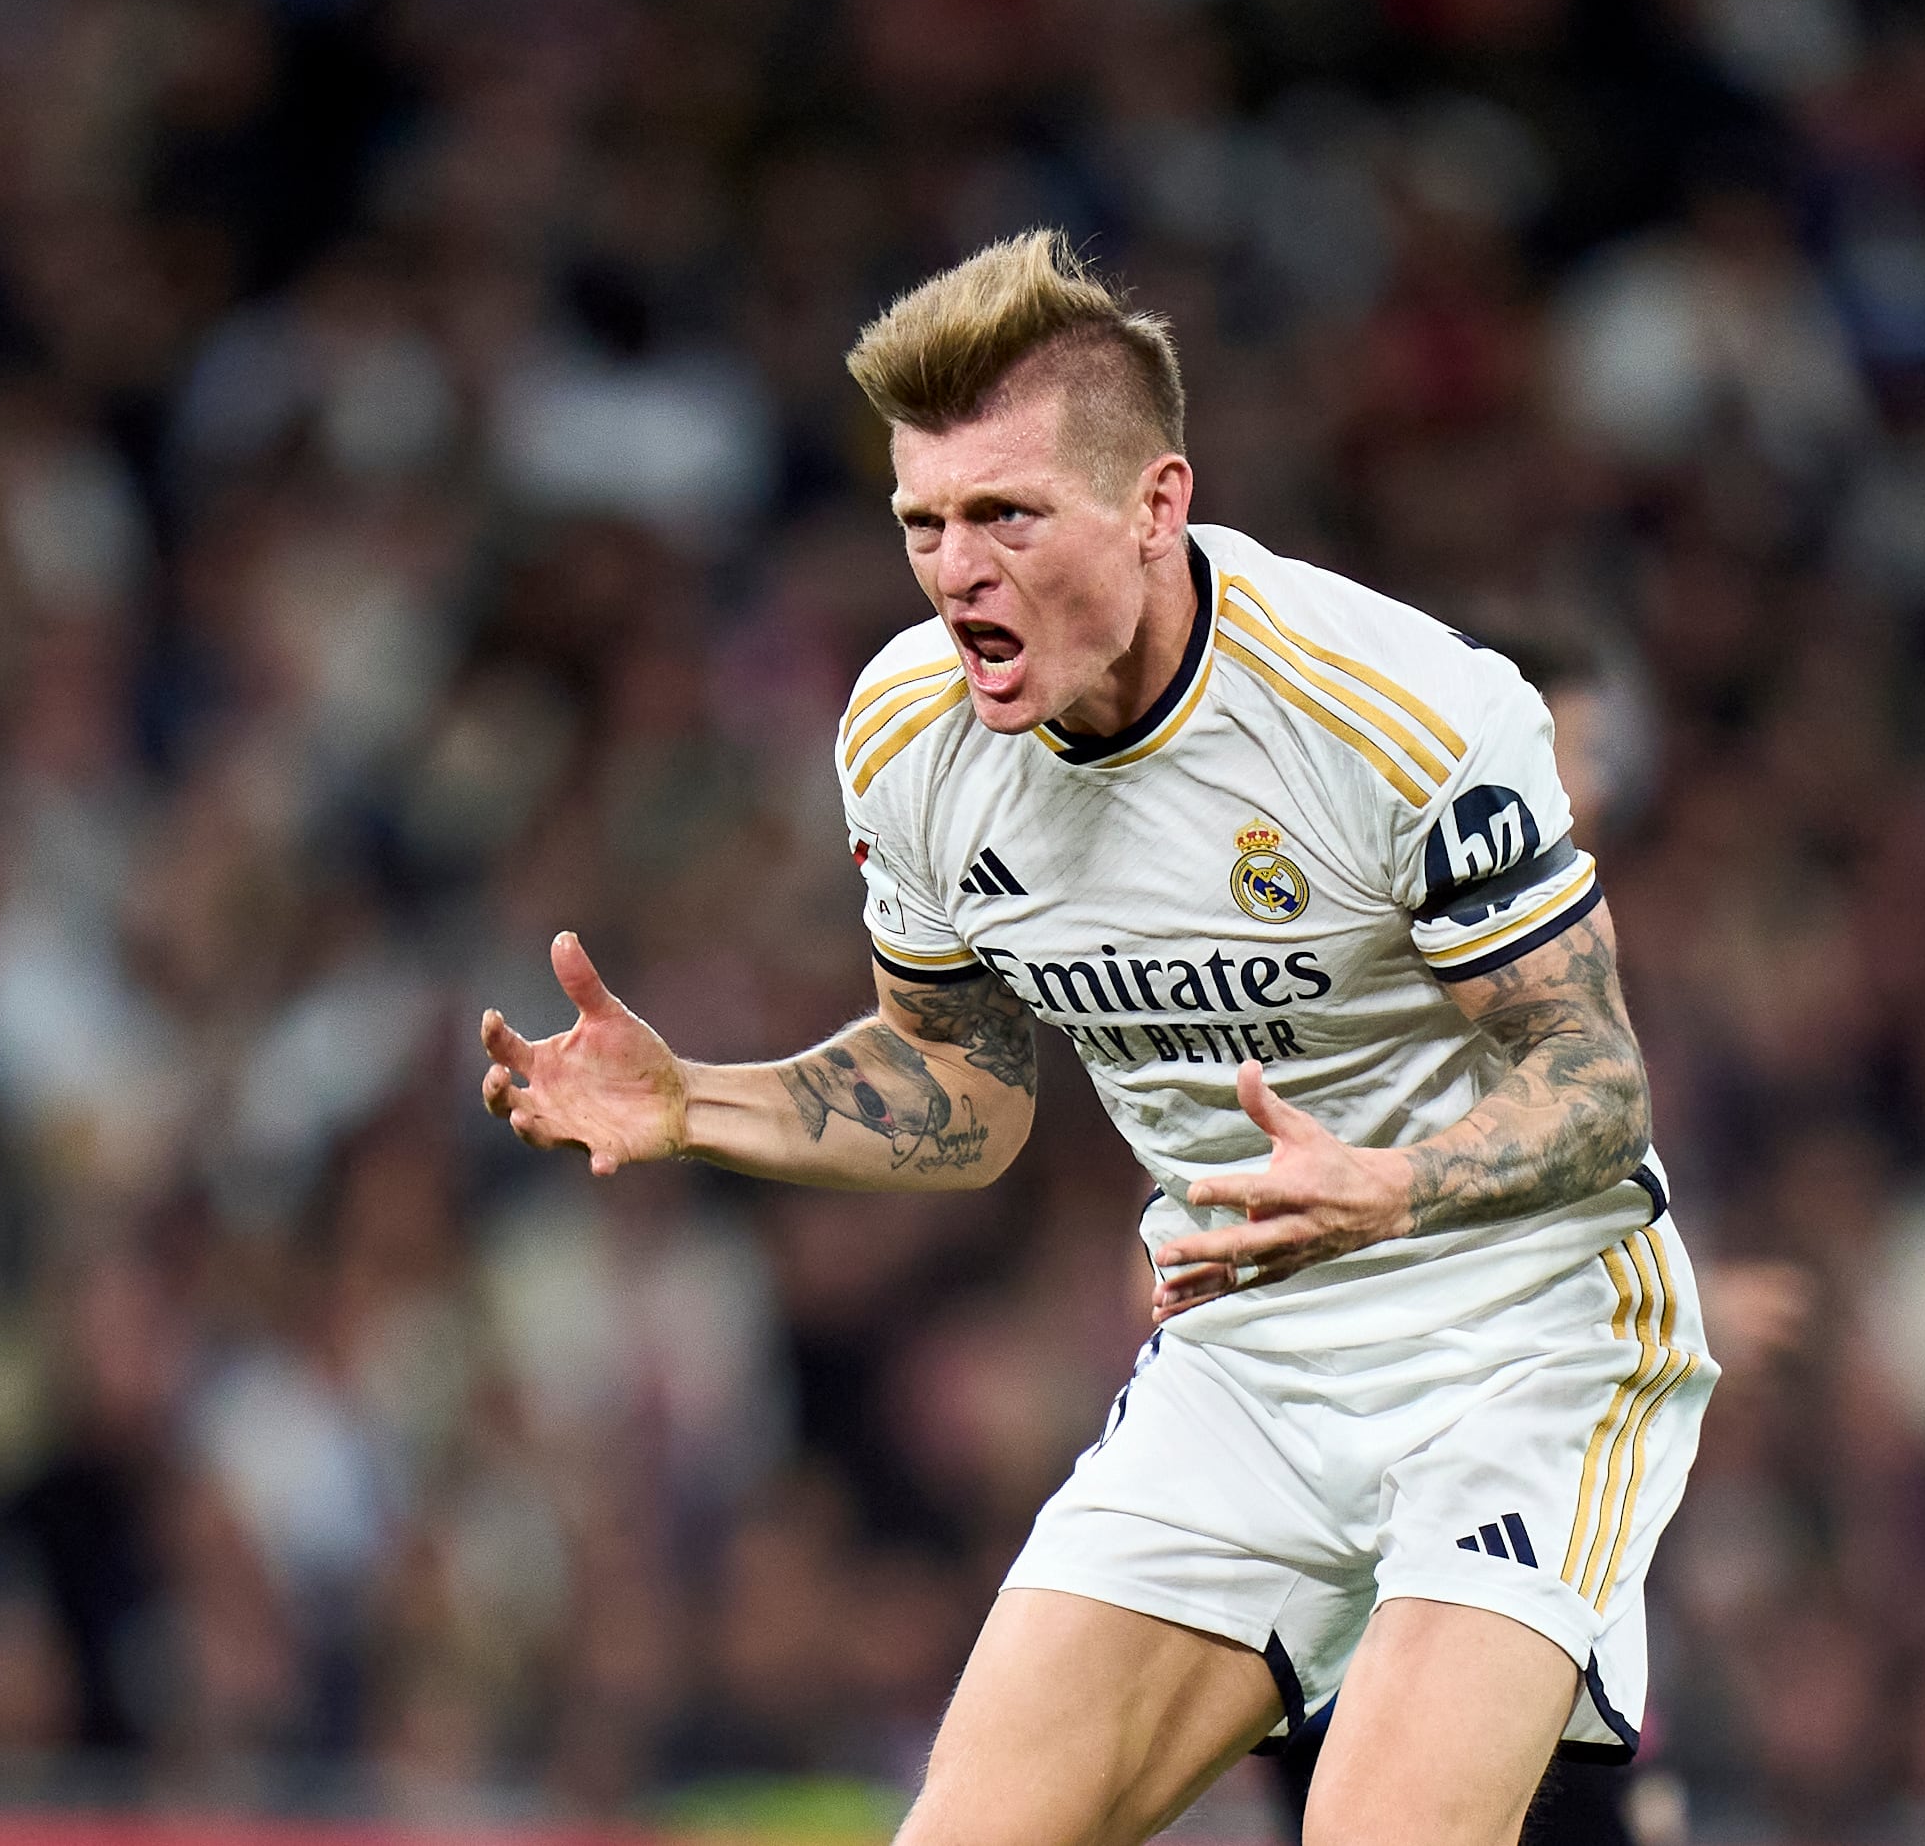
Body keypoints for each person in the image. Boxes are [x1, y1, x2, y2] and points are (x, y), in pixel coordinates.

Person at [480, 231, 1713, 1846]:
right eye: (922, 521)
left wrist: (1388, 1190)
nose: (954, 571)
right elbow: (962, 1092)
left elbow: (1597, 1088)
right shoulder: (910, 739)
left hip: (1521, 1348)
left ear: (1155, 503)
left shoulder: (1399, 710)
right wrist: (695, 1100)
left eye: (1004, 514)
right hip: (1251, 1372)